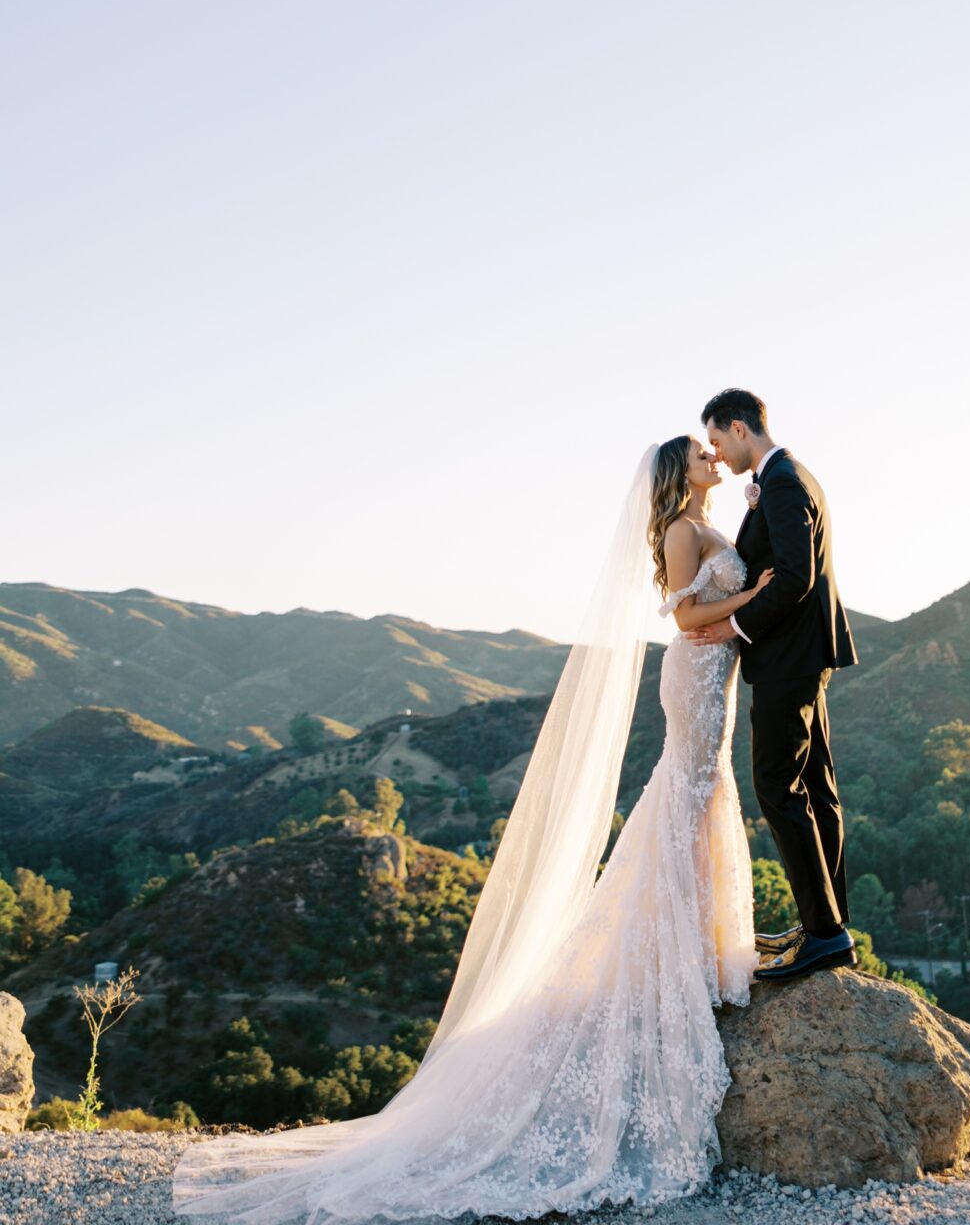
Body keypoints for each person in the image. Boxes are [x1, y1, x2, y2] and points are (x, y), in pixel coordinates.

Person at [172, 438, 769, 1224]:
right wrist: (747, 599)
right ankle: (674, 943)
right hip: (693, 681)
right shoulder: (678, 530)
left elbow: (710, 593)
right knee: (687, 796)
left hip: (712, 681)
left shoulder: (706, 518)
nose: (708, 453)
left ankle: (693, 936)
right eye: (696, 450)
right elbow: (689, 613)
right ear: (673, 472)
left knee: (699, 795)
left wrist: (749, 541)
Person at [695, 387, 859, 979]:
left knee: (777, 785)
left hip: (790, 657)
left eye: (717, 440)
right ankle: (828, 923)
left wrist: (735, 625)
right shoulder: (792, 475)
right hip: (803, 656)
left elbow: (794, 577)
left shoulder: (784, 482)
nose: (717, 454)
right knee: (816, 788)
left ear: (740, 428)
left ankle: (825, 933)